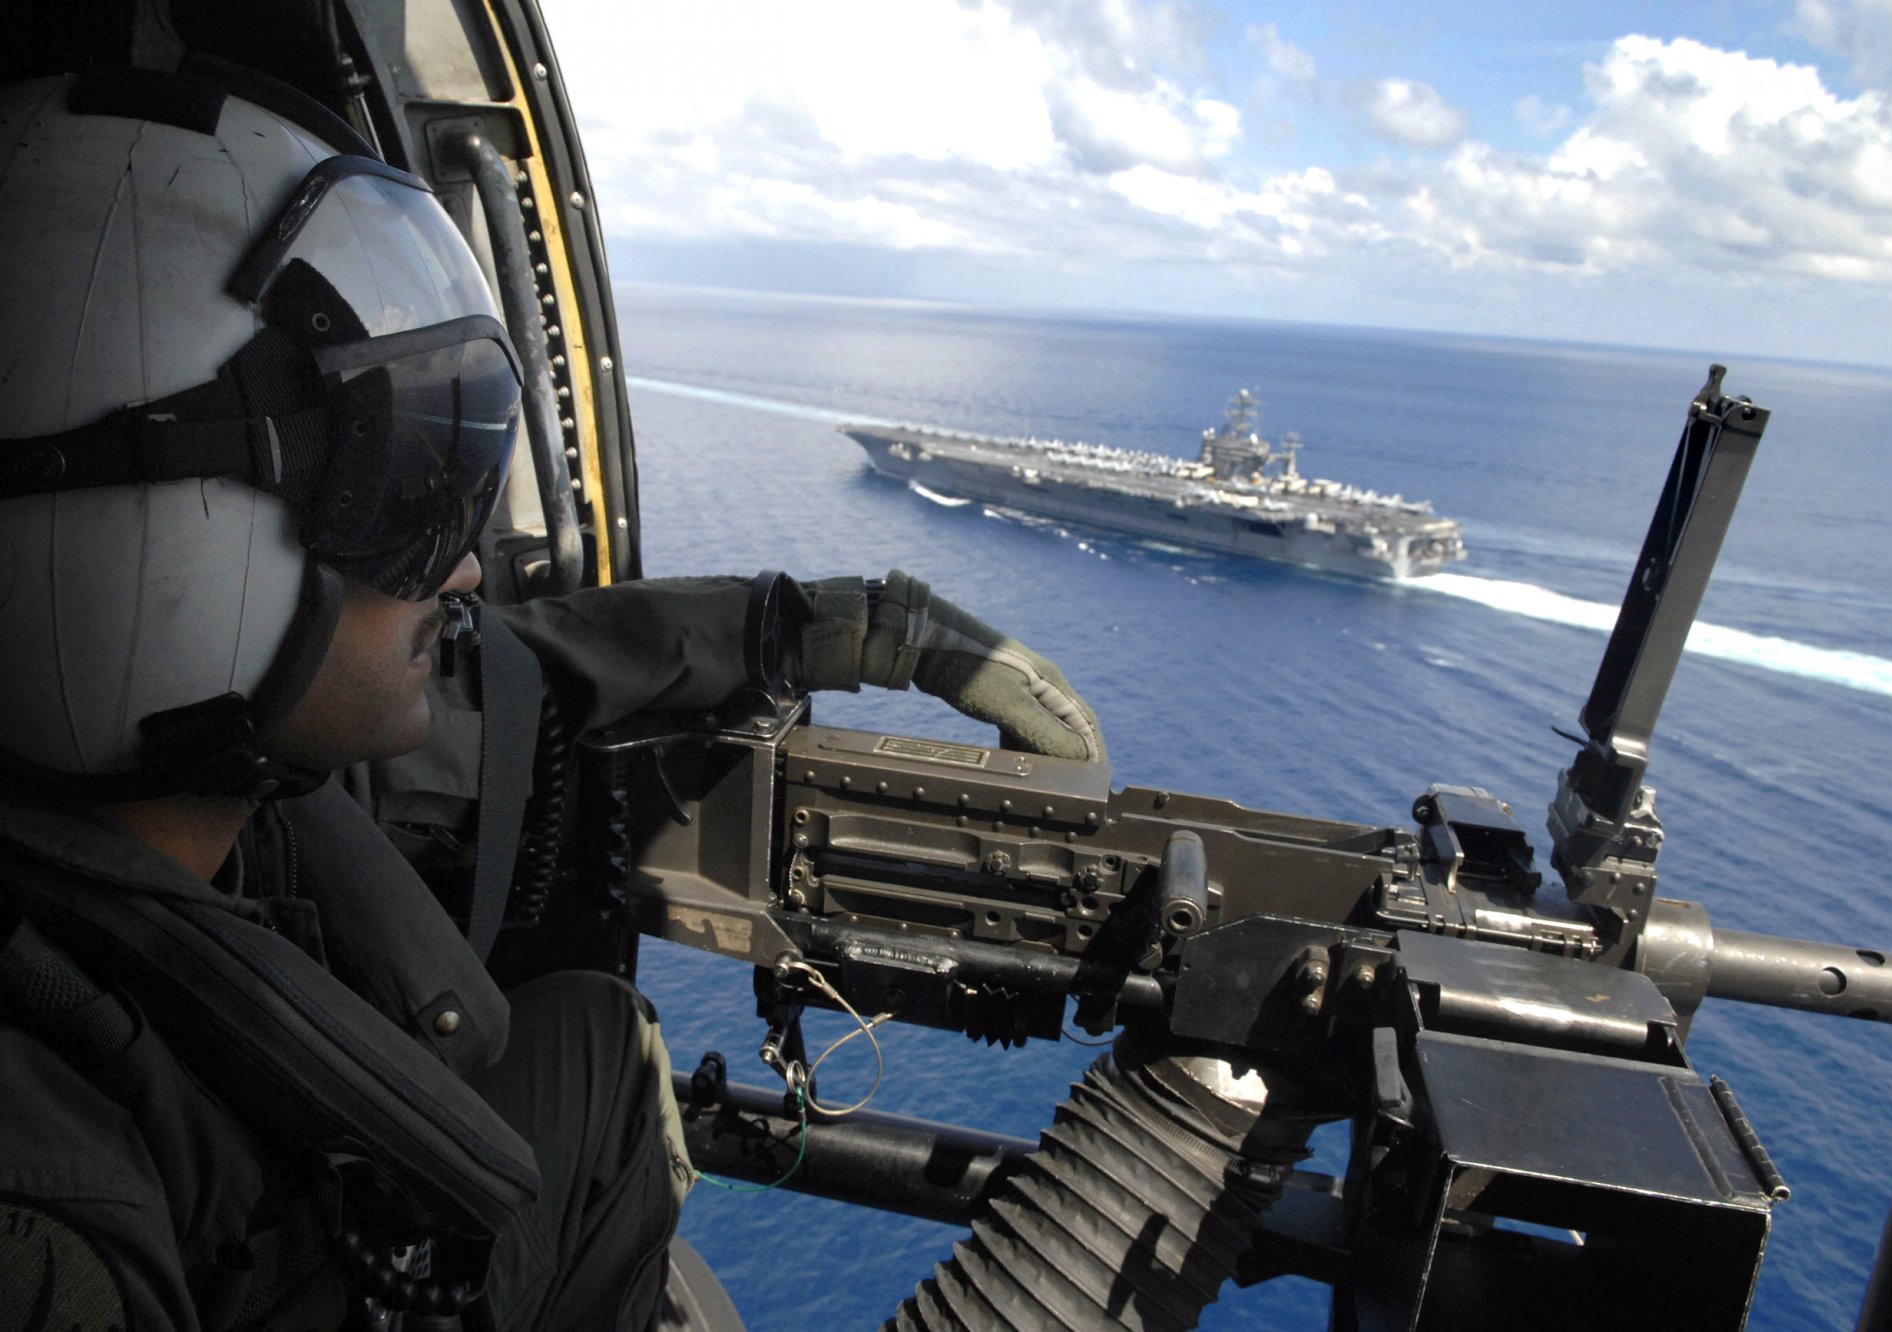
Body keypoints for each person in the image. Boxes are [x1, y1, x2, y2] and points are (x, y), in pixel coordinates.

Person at [0, 69, 1103, 1330]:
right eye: (409, 500)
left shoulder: (219, 804)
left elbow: (518, 664)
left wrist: (857, 628)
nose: (466, 565)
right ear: (158, 556)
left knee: (585, 1036)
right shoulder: (47, 1236)